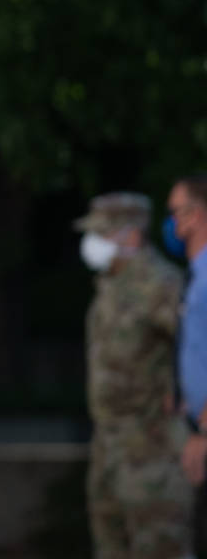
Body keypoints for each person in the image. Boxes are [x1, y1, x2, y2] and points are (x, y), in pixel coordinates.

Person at [73, 192, 191, 559]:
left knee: (160, 548)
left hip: (152, 450)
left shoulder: (161, 283)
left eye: (102, 233)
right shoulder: (110, 284)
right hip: (109, 446)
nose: (92, 242)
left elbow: (196, 347)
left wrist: (188, 401)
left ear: (131, 235)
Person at [168, 174, 207, 559]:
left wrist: (204, 428)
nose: (172, 223)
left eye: (176, 211)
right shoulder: (197, 274)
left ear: (196, 214)